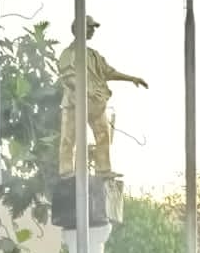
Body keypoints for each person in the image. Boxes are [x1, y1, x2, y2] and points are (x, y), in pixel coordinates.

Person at [57, 15, 147, 176]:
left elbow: (108, 72)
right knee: (68, 138)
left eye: (93, 27)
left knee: (103, 134)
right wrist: (86, 90)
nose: (93, 30)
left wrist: (131, 78)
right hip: (74, 103)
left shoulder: (94, 55)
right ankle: (66, 171)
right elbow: (67, 76)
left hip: (95, 103)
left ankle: (103, 169)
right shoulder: (69, 53)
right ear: (79, 29)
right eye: (90, 27)